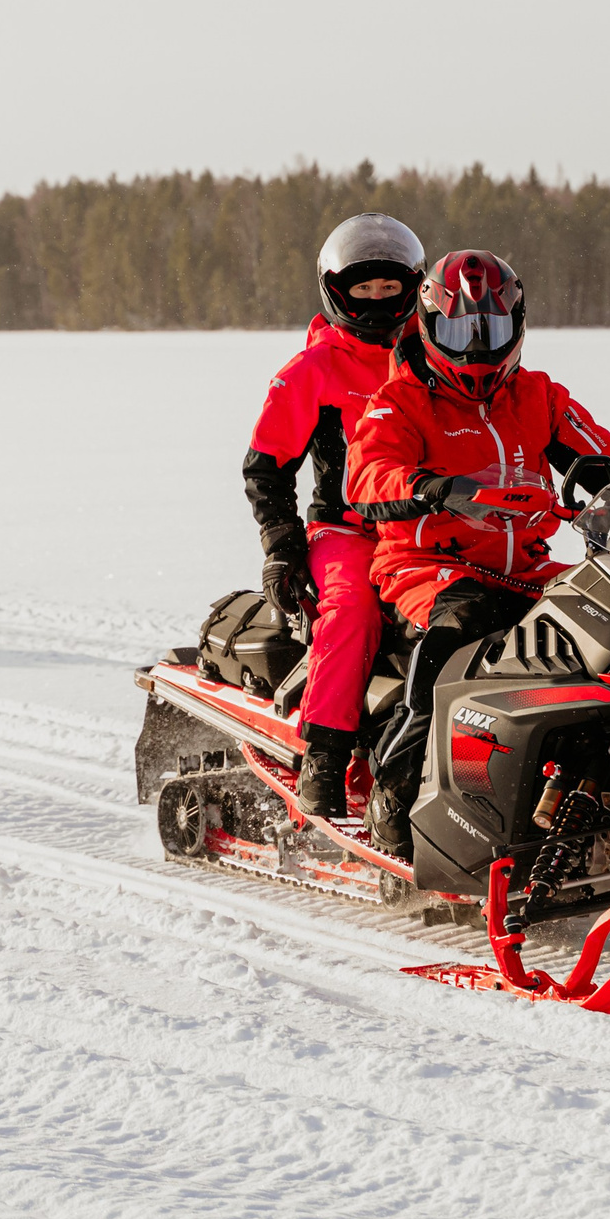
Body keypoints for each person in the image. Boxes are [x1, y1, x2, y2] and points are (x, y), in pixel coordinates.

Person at [345, 250, 610, 852]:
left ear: (516, 327)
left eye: (489, 330)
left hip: (525, 567)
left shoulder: (537, 396)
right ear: (431, 327)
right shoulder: (400, 400)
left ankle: (587, 783)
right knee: (466, 624)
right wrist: (439, 490)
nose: (476, 349)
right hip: (428, 565)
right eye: (461, 331)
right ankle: (399, 783)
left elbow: (608, 457)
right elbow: (367, 478)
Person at [243, 213, 427, 815]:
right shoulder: (313, 371)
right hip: (345, 530)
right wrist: (282, 545)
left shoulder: (434, 359)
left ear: (413, 288)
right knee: (353, 611)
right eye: (363, 289)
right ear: (336, 291)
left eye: (390, 288)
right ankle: (324, 756)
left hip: (425, 530)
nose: (378, 300)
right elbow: (267, 467)